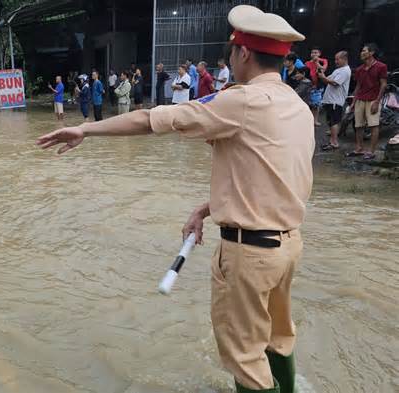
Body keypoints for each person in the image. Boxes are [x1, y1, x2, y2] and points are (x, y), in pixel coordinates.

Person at [37, 5, 312, 393]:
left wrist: (85, 129)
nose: (231, 58)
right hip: (287, 247)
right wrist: (209, 207)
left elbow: (151, 120)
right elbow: (275, 179)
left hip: (250, 255)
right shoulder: (298, 107)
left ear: (243, 54)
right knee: (278, 339)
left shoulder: (241, 101)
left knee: (245, 360)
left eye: (232, 51)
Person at [348, 43, 388, 160]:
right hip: (360, 99)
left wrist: (377, 101)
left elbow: (383, 84)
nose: (362, 53)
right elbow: (358, 86)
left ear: (371, 53)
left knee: (373, 125)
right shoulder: (360, 69)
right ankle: (359, 148)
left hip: (373, 99)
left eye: (364, 51)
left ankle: (371, 151)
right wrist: (353, 101)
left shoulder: (381, 67)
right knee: (358, 125)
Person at [319, 51, 351, 151]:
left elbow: (335, 83)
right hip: (330, 100)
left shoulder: (345, 70)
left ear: (344, 59)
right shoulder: (338, 70)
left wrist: (323, 77)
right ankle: (332, 141)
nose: (336, 61)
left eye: (338, 59)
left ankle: (334, 142)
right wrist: (322, 74)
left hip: (335, 100)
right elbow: (327, 80)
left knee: (334, 122)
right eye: (335, 59)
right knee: (330, 121)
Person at [305, 47, 329, 126]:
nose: (314, 54)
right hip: (309, 86)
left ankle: (315, 120)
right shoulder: (307, 63)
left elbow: (323, 70)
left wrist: (316, 62)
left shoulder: (324, 61)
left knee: (316, 104)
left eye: (316, 52)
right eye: (312, 52)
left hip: (318, 86)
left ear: (319, 54)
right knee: (308, 104)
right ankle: (308, 120)